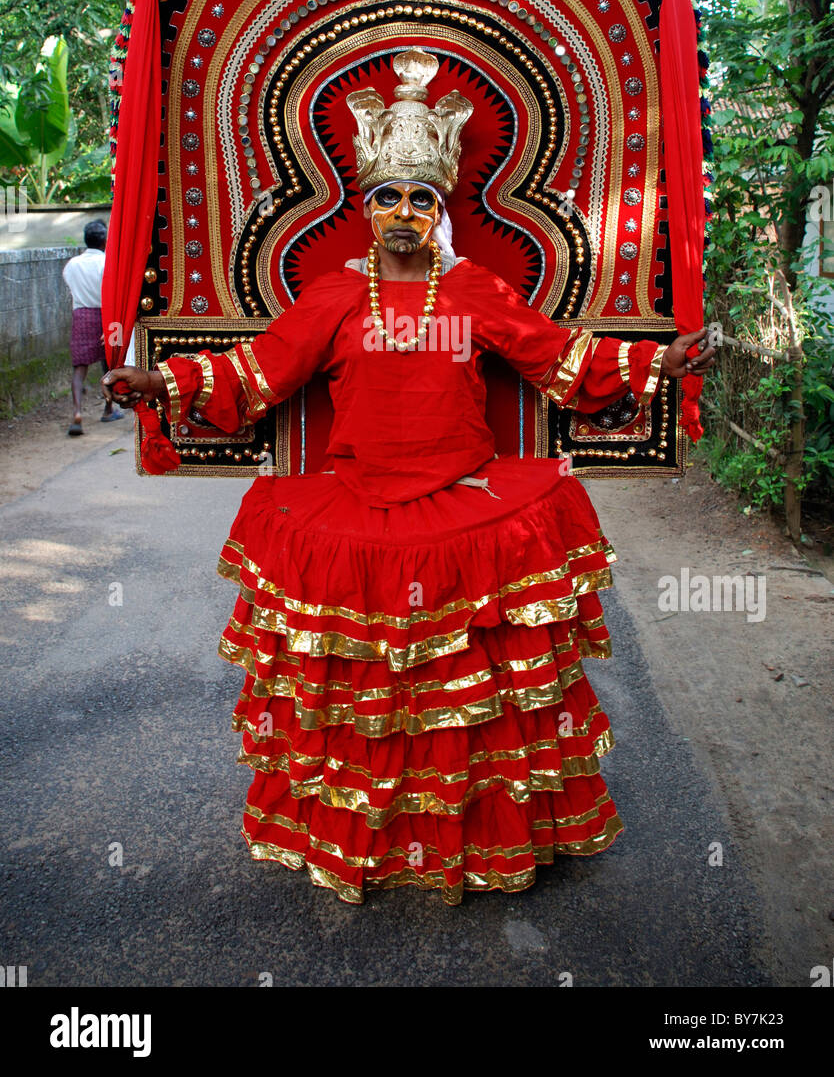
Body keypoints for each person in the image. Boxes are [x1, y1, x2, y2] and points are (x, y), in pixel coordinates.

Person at [103, 51, 714, 904]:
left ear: (440, 208)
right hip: (357, 508)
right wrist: (160, 382)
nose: (401, 213)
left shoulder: (472, 288)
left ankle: (474, 838)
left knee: (468, 699)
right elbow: (256, 373)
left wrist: (662, 362)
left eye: (419, 199)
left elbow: (559, 360)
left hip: (466, 505)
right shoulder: (333, 296)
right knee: (368, 699)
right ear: (362, 206)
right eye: (386, 197)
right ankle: (372, 840)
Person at [63, 219, 123, 436]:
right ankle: (109, 409)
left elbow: (69, 284)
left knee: (79, 368)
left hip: (81, 315)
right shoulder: (108, 262)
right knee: (109, 364)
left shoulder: (72, 264)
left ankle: (77, 412)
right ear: (104, 240)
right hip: (107, 315)